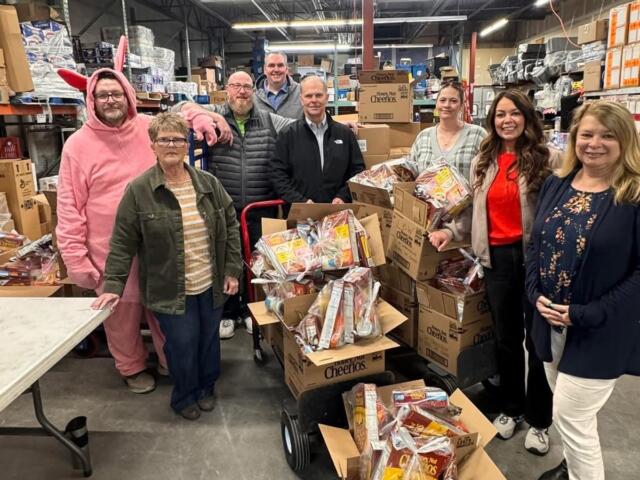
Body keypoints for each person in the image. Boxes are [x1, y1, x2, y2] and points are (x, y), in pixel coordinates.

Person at [430, 89, 558, 455]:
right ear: (492, 120)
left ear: (526, 117)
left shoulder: (546, 158)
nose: (507, 121)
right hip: (497, 259)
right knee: (506, 338)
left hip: (535, 260)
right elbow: (473, 213)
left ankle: (539, 420)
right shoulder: (484, 160)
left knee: (538, 343)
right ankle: (512, 407)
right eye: (500, 114)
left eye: (514, 113)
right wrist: (450, 232)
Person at [91, 113, 242, 421]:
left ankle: (206, 387)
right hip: (170, 288)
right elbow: (122, 243)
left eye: (178, 139)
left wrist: (231, 269)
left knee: (209, 339)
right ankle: (184, 395)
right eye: (165, 140)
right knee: (182, 344)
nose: (172, 145)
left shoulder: (208, 184)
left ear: (187, 144)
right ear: (153, 145)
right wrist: (113, 286)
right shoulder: (139, 190)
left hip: (210, 281)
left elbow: (230, 225)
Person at [526, 101, 640, 480]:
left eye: (608, 135)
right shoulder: (557, 184)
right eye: (587, 134)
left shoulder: (634, 195)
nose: (595, 143)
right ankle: (571, 467)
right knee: (565, 407)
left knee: (572, 418)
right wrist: (533, 291)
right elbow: (536, 242)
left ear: (625, 141)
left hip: (598, 330)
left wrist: (585, 313)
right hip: (549, 323)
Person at [56, 69, 170, 394]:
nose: (110, 100)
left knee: (164, 308)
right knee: (120, 314)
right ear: (92, 100)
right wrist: (76, 260)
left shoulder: (149, 129)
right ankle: (131, 367)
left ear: (128, 96)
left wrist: (205, 117)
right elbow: (68, 207)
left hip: (158, 245)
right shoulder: (77, 146)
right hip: (109, 251)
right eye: (102, 95)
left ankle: (170, 359)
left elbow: (178, 124)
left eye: (116, 93)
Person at [176, 71, 292, 339]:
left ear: (255, 91)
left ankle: (253, 311)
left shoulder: (268, 119)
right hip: (223, 207)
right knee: (226, 260)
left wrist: (340, 126)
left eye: (247, 87)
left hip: (259, 205)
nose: (242, 92)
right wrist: (214, 118)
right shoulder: (214, 113)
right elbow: (180, 107)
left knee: (258, 262)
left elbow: (299, 125)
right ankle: (229, 312)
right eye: (236, 86)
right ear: (227, 89)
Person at [272, 75, 365, 206]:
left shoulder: (344, 134)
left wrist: (343, 196)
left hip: (338, 212)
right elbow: (278, 176)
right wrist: (300, 201)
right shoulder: (287, 135)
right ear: (301, 100)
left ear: (327, 98)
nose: (314, 100)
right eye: (309, 96)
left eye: (319, 95)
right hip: (301, 216)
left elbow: (358, 171)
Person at [411, 80, 486, 179]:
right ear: (436, 104)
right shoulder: (423, 137)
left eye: (453, 101)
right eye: (442, 100)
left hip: (466, 195)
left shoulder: (477, 135)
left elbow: (487, 174)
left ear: (461, 106)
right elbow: (412, 173)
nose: (447, 105)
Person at [254, 51, 303, 118]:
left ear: (286, 69)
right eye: (271, 65)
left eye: (280, 65)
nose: (276, 69)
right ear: (265, 69)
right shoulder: (253, 96)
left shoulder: (301, 92)